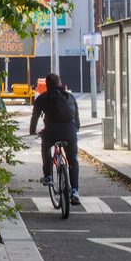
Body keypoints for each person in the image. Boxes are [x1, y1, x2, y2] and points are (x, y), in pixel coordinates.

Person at [30, 73, 81, 203]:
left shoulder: (42, 98)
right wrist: (75, 129)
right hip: (70, 133)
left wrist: (33, 131)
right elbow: (78, 122)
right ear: (60, 83)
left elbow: (35, 117)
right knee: (73, 160)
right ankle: (75, 191)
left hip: (51, 132)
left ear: (46, 85)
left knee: (45, 146)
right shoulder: (70, 97)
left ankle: (48, 176)